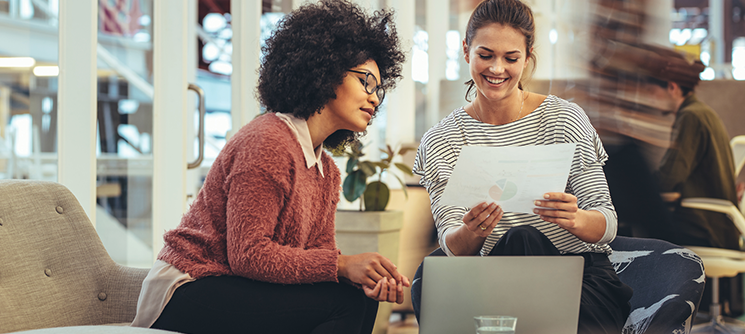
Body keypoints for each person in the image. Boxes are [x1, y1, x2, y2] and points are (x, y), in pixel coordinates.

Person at [130, 1, 408, 333]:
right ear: (326, 70)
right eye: (365, 81)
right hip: (189, 286)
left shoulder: (326, 170)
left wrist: (357, 275)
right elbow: (248, 253)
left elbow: (318, 260)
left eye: (379, 88)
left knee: (359, 295)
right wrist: (343, 265)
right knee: (342, 301)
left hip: (236, 283)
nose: (375, 98)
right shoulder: (268, 141)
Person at [410, 0, 632, 333]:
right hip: (491, 283)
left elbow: (608, 222)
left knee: (524, 239)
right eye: (486, 55)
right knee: (430, 275)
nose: (497, 69)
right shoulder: (442, 140)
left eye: (511, 58)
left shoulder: (564, 119)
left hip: (579, 283)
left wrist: (575, 218)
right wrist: (472, 231)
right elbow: (451, 246)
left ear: (527, 59)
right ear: (466, 50)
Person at [642, 45, 742, 316]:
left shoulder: (691, 117)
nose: (651, 98)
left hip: (706, 227)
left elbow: (668, 179)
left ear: (672, 87)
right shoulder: (701, 112)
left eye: (653, 91)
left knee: (638, 234)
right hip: (719, 226)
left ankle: (659, 315)